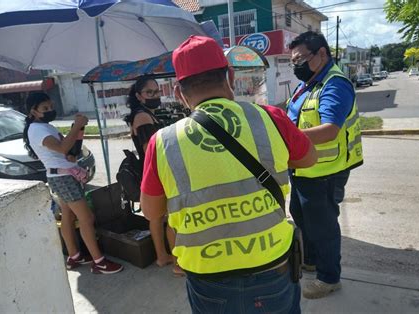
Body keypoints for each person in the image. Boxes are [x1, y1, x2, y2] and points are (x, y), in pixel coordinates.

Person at [141, 35, 317, 313]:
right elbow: (309, 158)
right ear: (230, 76)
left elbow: (151, 212)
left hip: (209, 276)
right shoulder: (270, 118)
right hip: (272, 264)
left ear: (178, 92)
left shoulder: (162, 142)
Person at [286, 31, 363, 299]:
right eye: (292, 61)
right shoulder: (308, 83)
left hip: (324, 171)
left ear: (322, 54)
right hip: (302, 168)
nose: (296, 65)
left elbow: (330, 129)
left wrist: (285, 139)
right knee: (299, 213)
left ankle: (329, 278)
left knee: (323, 226)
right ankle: (313, 260)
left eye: (300, 59)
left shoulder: (335, 83)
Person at [23, 92, 123, 275]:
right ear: (33, 111)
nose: (50, 110)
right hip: (63, 178)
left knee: (68, 216)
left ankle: (74, 256)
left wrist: (76, 139)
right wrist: (76, 126)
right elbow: (62, 147)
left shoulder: (45, 126)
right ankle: (99, 262)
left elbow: (66, 151)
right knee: (86, 218)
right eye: (45, 108)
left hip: (62, 175)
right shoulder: (37, 130)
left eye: (51, 106)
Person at [124, 77, 175, 269]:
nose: (155, 96)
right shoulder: (143, 116)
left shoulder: (145, 114)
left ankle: (162, 256)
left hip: (152, 170)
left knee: (157, 217)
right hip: (158, 171)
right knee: (170, 217)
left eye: (157, 91)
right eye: (150, 92)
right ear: (139, 96)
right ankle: (176, 262)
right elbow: (149, 149)